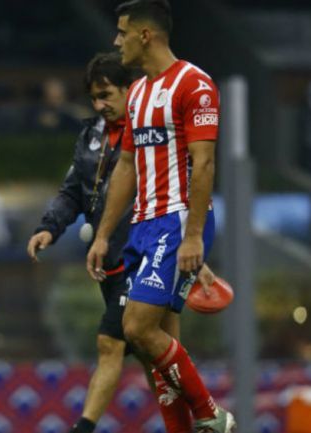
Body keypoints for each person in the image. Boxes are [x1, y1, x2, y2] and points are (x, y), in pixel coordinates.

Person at [27, 52, 216, 433]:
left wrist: (190, 239)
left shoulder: (153, 131)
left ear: (130, 90)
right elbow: (72, 191)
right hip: (115, 259)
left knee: (115, 340)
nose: (100, 105)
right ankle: (190, 425)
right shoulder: (91, 135)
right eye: (94, 98)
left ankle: (208, 415)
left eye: (107, 95)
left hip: (151, 252)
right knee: (155, 355)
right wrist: (51, 227)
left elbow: (179, 186)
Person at [86, 1, 236, 432]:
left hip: (178, 221)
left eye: (122, 33)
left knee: (136, 327)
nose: (117, 42)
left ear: (145, 35)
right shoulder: (138, 93)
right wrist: (103, 235)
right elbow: (127, 166)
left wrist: (192, 238)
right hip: (143, 226)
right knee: (159, 344)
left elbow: (204, 164)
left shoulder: (195, 84)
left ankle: (210, 415)